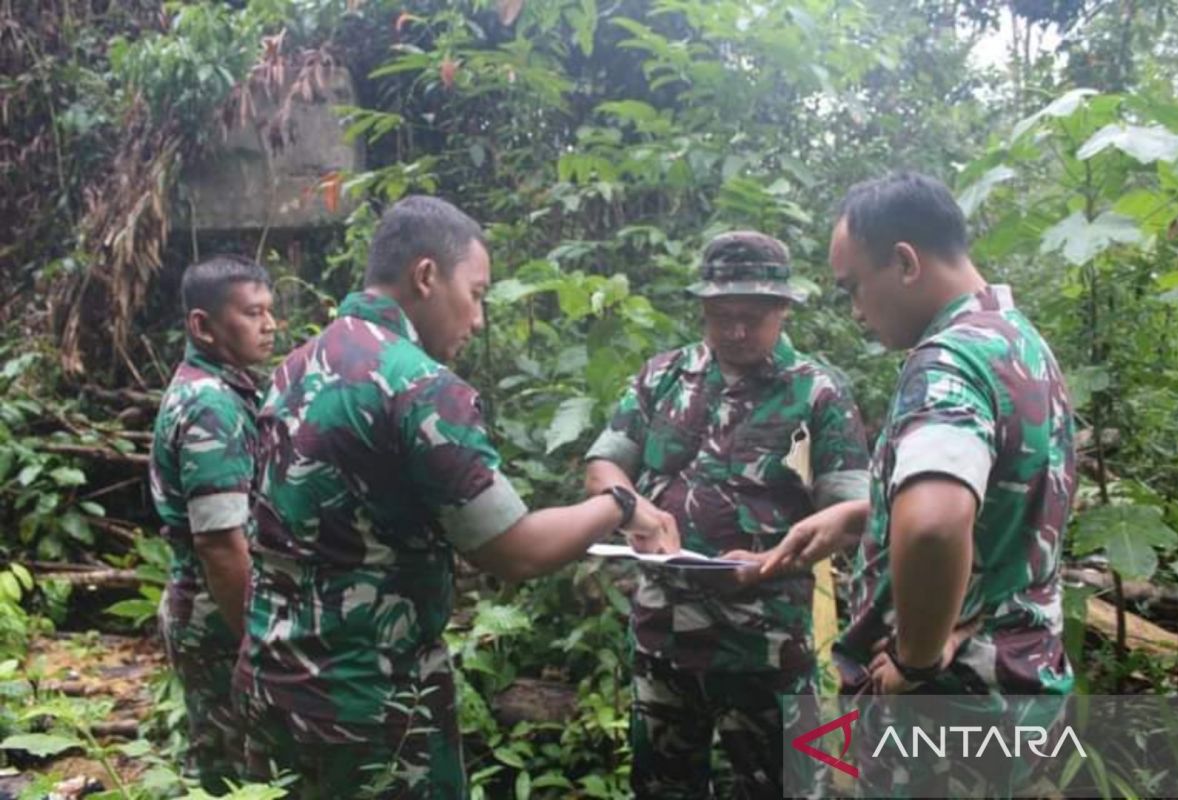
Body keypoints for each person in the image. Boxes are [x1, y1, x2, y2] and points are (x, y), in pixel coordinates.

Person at [234, 195, 677, 799]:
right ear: (425, 277)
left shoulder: (294, 366)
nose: (477, 320)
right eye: (476, 294)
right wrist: (621, 505)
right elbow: (514, 552)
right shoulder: (418, 385)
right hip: (371, 703)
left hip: (270, 682)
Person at [761, 171, 1077, 701]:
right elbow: (1004, 501)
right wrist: (865, 514)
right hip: (1019, 679)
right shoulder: (1018, 343)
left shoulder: (946, 364)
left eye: (853, 287)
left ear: (906, 262)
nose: (857, 311)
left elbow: (933, 526)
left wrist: (917, 657)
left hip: (944, 704)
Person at [583, 231, 871, 799]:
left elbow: (854, 512)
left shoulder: (817, 395)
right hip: (662, 641)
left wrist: (769, 561)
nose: (736, 331)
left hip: (764, 649)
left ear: (784, 309)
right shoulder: (663, 377)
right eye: (721, 316)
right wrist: (636, 510)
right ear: (702, 308)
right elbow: (602, 466)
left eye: (753, 316)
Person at [149, 254, 276, 791]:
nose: (270, 325)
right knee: (232, 773)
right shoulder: (209, 407)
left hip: (213, 611)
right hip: (218, 617)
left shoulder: (224, 390)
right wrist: (257, 641)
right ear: (203, 326)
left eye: (271, 311)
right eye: (252, 313)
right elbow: (221, 544)